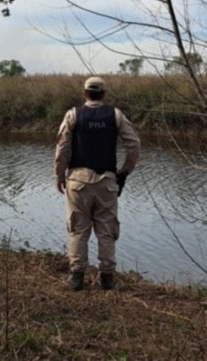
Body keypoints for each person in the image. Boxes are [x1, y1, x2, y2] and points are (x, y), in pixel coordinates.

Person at [54, 76, 140, 291]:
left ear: (85, 93)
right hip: (107, 182)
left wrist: (59, 175)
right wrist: (124, 171)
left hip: (77, 181)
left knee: (78, 229)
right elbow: (134, 144)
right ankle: (107, 277)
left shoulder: (73, 114)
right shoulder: (115, 115)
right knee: (106, 230)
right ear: (104, 94)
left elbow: (62, 147)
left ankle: (76, 277)